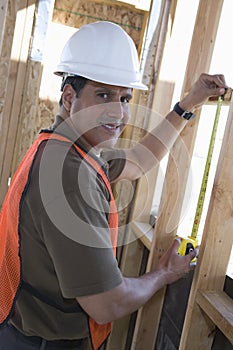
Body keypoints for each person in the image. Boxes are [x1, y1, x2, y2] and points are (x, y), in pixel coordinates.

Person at [0, 21, 228, 350]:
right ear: (69, 96)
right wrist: (162, 274)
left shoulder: (66, 148)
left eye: (124, 98)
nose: (119, 112)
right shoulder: (67, 176)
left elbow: (137, 161)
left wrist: (187, 104)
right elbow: (108, 304)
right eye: (104, 94)